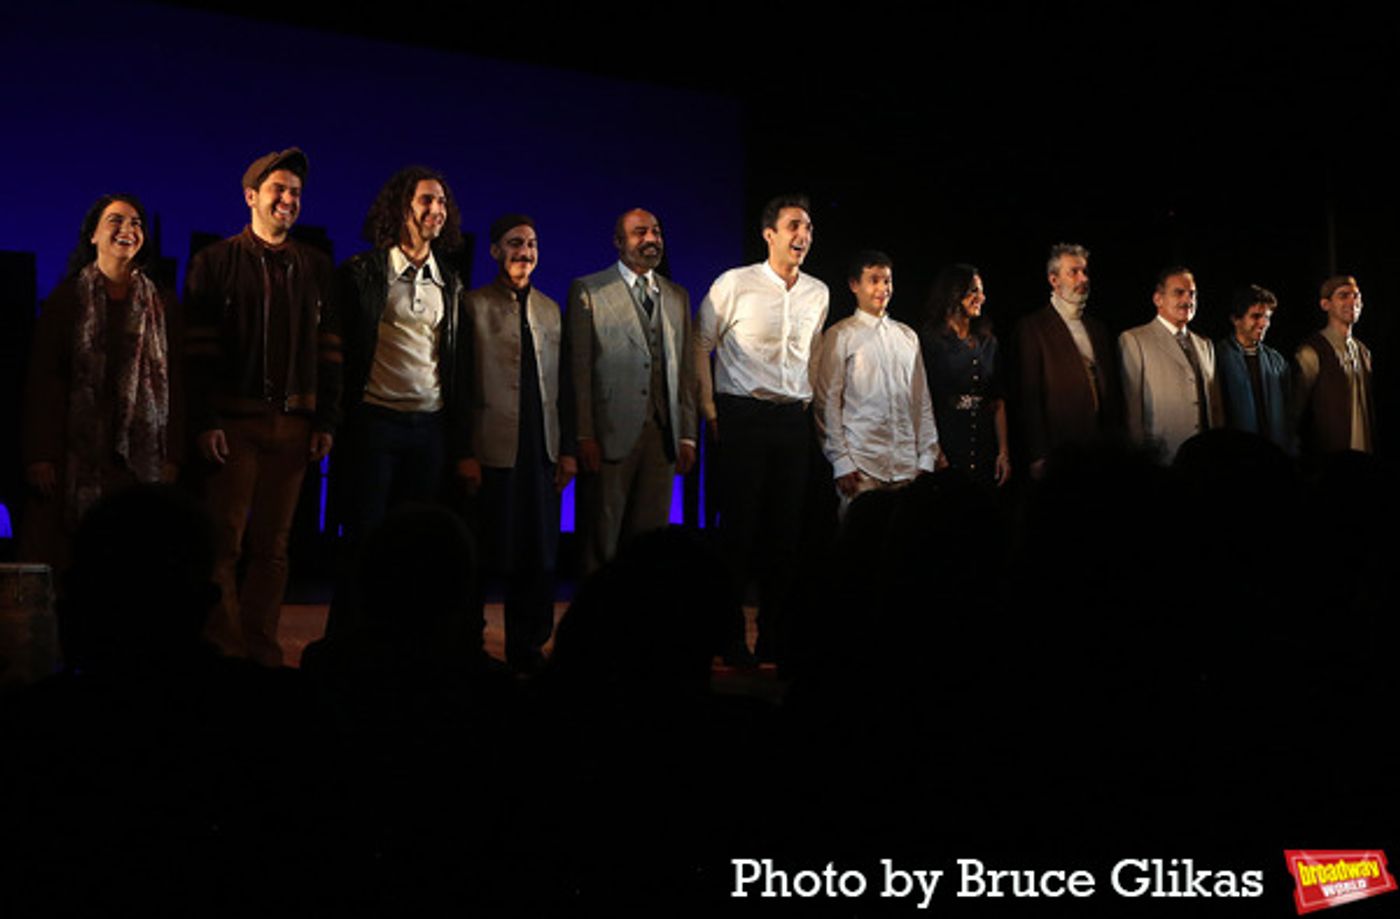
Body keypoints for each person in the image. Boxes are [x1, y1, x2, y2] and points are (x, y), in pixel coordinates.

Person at [184, 148, 342, 667]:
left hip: (293, 427)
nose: (289, 200)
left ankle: (261, 652)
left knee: (273, 549)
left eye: (295, 192)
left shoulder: (315, 267)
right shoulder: (214, 262)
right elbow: (198, 352)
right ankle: (224, 651)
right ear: (251, 195)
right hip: (235, 423)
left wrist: (325, 420)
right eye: (279, 190)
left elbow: (330, 349)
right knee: (224, 544)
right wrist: (206, 420)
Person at [696, 193, 829, 666]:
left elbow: (813, 357)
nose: (803, 236)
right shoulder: (734, 284)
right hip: (742, 417)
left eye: (809, 228)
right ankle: (728, 640)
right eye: (794, 225)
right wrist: (710, 412)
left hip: (793, 420)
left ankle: (776, 638)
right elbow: (700, 345)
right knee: (738, 534)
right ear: (769, 233)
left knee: (785, 538)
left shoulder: (818, 292)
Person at [20, 193, 181, 570]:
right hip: (76, 451)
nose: (128, 229)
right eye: (116, 220)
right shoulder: (67, 300)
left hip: (135, 458)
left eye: (137, 223)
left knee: (130, 552)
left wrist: (171, 454)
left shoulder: (161, 305)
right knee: (73, 554)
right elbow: (43, 381)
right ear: (92, 235)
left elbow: (175, 383)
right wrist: (39, 454)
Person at [459, 214, 576, 674]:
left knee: (538, 554)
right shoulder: (473, 306)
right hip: (490, 451)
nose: (524, 252)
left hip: (540, 451)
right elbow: (462, 385)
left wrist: (566, 449)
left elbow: (565, 385)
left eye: (531, 244)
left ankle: (527, 647)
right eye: (513, 244)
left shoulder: (550, 309)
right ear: (494, 251)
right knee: (484, 553)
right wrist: (464, 452)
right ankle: (468, 643)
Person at [336, 166, 468, 541]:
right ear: (401, 207)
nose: (436, 209)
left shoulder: (450, 282)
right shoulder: (362, 272)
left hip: (429, 426)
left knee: (416, 538)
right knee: (366, 534)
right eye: (426, 199)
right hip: (376, 422)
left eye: (442, 201)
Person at [568, 208, 697, 575]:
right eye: (640, 232)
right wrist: (584, 433)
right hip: (610, 433)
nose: (651, 239)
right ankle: (596, 622)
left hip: (662, 435)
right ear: (619, 242)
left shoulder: (676, 296)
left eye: (655, 231)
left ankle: (639, 623)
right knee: (601, 538)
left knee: (649, 542)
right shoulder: (590, 291)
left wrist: (687, 435)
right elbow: (579, 371)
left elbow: (685, 371)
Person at [815, 251, 940, 517]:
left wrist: (926, 457)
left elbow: (921, 401)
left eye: (887, 281)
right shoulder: (840, 335)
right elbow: (827, 403)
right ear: (854, 285)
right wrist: (840, 461)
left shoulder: (907, 336)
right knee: (860, 545)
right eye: (874, 280)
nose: (883, 288)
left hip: (907, 465)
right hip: (863, 465)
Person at [1011, 242, 1122, 478]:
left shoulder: (1097, 328)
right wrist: (1038, 454)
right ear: (1054, 280)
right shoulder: (1033, 327)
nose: (1082, 278)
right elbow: (1030, 398)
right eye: (1073, 272)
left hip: (1100, 449)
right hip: (1060, 450)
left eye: (1085, 272)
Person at [920, 263, 1009, 487]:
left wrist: (1004, 452)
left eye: (981, 291)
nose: (981, 297)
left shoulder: (988, 342)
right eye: (973, 291)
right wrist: (934, 450)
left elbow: (997, 400)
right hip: (948, 443)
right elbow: (923, 401)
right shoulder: (931, 340)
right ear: (953, 293)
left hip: (983, 444)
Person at [1119, 266, 1221, 462]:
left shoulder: (1205, 345)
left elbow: (1216, 407)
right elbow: (1133, 411)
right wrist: (1141, 459)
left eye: (1192, 294)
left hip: (1206, 457)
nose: (1187, 300)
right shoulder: (1135, 340)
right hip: (1163, 458)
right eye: (1178, 293)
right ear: (1158, 299)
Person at [1295, 274, 1374, 457]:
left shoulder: (1363, 351)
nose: (1352, 301)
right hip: (1331, 458)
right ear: (1326, 304)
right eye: (1343, 295)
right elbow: (1296, 409)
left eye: (1356, 295)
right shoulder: (1312, 351)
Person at [1215, 284, 1291, 451]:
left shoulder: (1277, 360)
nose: (1263, 323)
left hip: (1273, 452)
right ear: (1236, 319)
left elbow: (1288, 412)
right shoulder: (1218, 357)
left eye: (1267, 317)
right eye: (1256, 316)